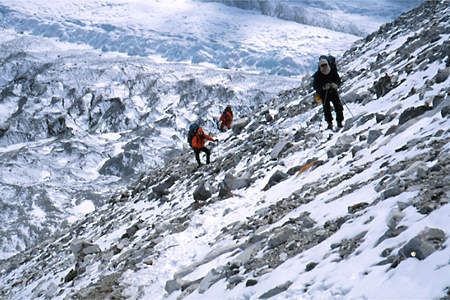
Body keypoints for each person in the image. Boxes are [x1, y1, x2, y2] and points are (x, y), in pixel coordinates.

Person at [313, 55, 344, 130]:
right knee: (327, 109)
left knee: (338, 107)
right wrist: (323, 87)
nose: (324, 67)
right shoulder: (318, 75)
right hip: (324, 94)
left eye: (325, 65)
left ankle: (339, 122)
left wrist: (335, 85)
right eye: (322, 65)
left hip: (332, 91)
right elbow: (315, 86)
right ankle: (330, 123)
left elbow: (338, 81)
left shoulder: (330, 71)